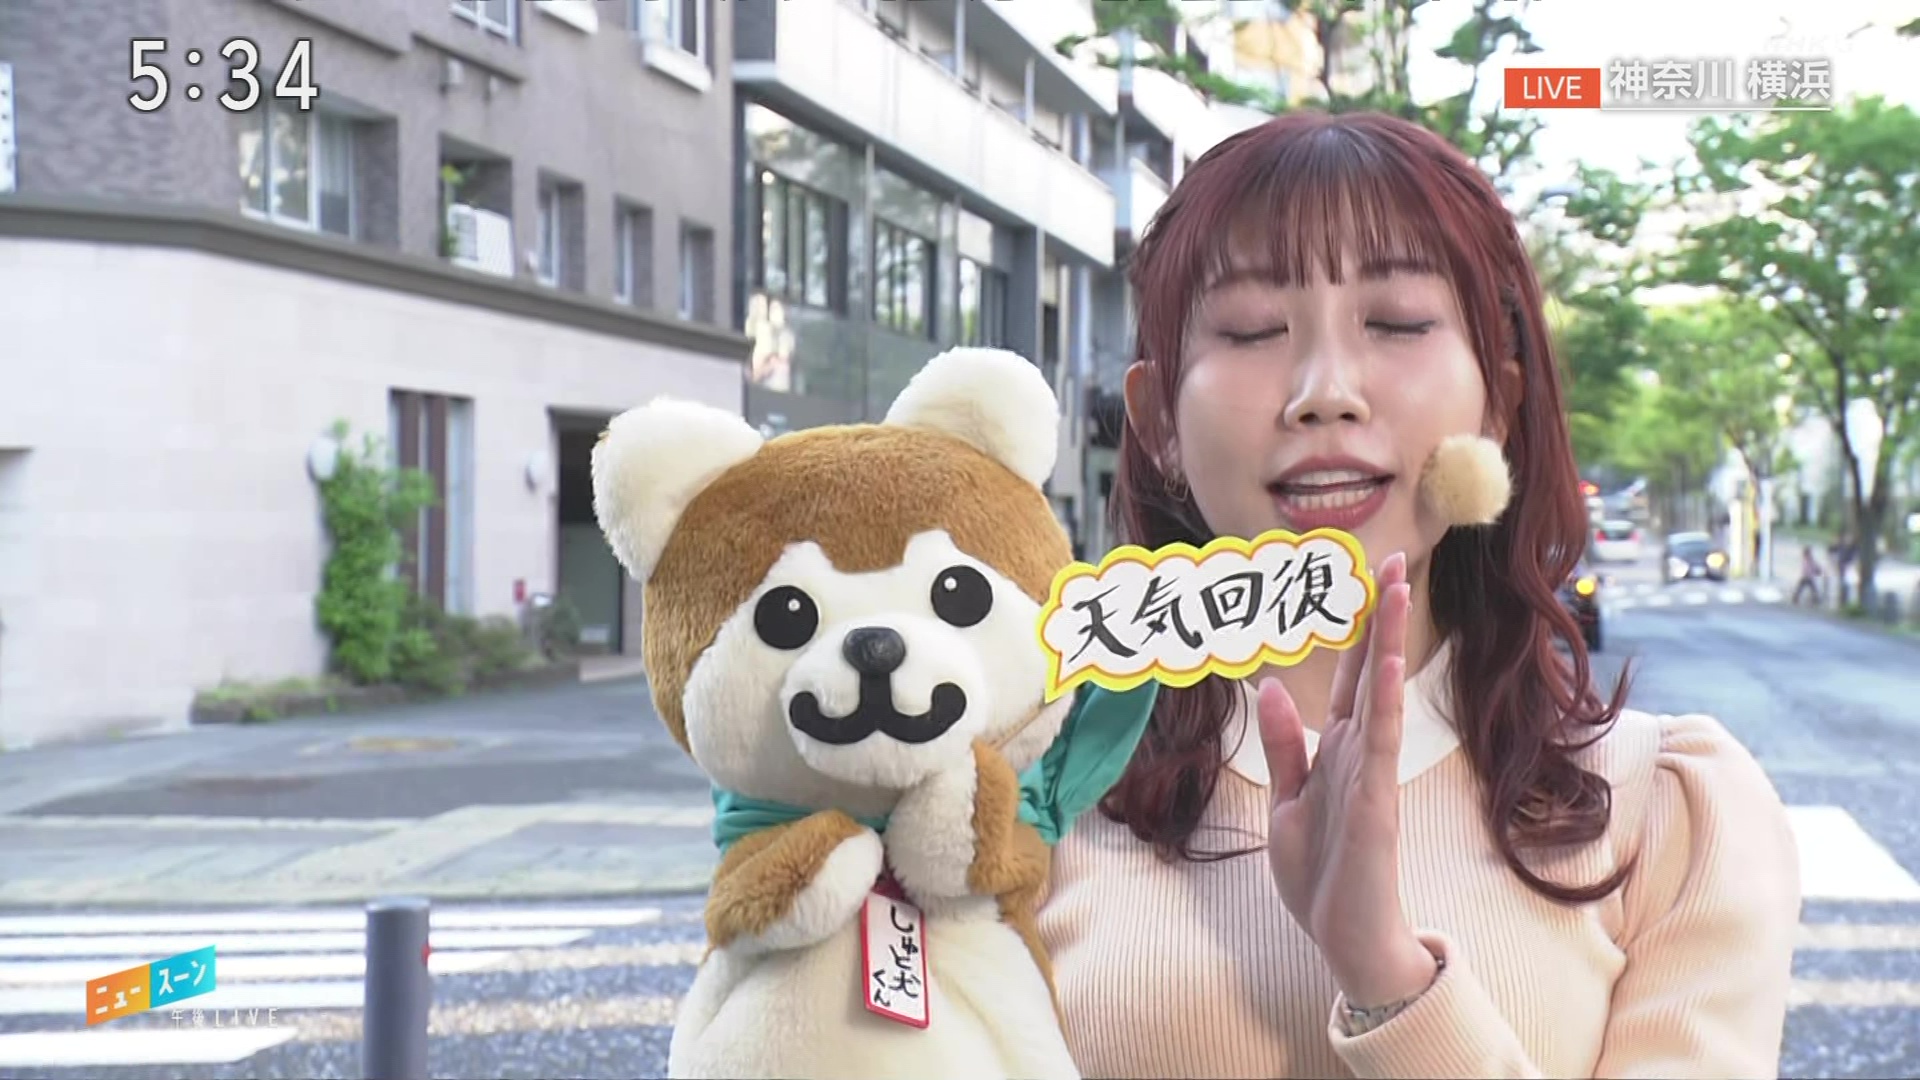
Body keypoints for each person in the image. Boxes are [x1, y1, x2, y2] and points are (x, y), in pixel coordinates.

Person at [1036, 112, 1802, 1079]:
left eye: (1396, 322)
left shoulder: (1664, 811)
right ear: (1156, 423)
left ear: (1501, 402)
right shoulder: (1031, 789)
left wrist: (1389, 980)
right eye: (1253, 329)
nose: (1325, 390)